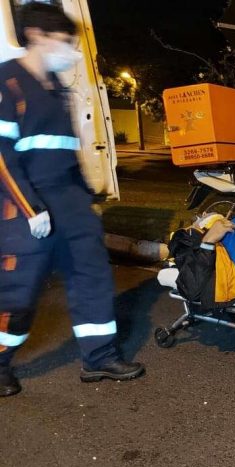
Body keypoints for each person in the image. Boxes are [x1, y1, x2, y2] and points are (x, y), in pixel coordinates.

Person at [0, 3, 144, 397]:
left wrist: (85, 200)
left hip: (70, 201)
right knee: (18, 289)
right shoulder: (6, 82)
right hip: (25, 205)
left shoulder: (57, 86)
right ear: (37, 36)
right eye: (64, 41)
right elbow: (2, 155)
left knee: (92, 276)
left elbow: (68, 149)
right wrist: (30, 209)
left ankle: (99, 358)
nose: (71, 50)